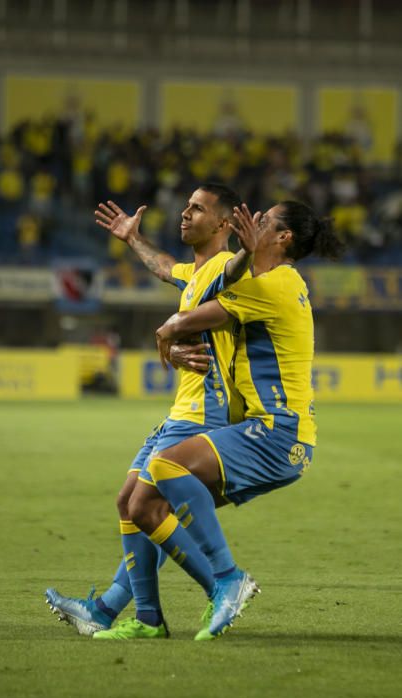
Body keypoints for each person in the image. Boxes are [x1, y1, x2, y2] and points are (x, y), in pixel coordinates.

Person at [92, 200, 344, 641]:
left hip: (276, 432)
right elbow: (181, 288)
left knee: (165, 467)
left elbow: (187, 320)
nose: (255, 221)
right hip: (269, 432)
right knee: (150, 505)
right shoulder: (269, 281)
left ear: (283, 238)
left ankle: (226, 578)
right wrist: (136, 243)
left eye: (263, 220)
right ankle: (124, 609)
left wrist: (167, 336)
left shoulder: (275, 285)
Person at [45, 183, 260, 638]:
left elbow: (241, 268)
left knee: (144, 504)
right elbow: (165, 267)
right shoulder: (195, 272)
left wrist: (247, 250)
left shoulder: (224, 265)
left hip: (205, 412)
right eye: (185, 206)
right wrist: (132, 238)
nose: (185, 214)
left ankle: (221, 586)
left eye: (197, 209)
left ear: (223, 224)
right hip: (182, 409)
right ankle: (132, 614)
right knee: (132, 502)